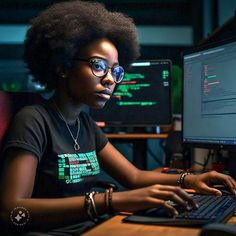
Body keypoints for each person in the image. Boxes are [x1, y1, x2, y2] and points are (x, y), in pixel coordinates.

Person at [0, 1, 235, 235]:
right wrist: (110, 201)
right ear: (63, 66)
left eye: (116, 70)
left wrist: (189, 179)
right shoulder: (33, 121)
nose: (111, 79)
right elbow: (11, 211)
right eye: (99, 66)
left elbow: (134, 176)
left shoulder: (85, 125)